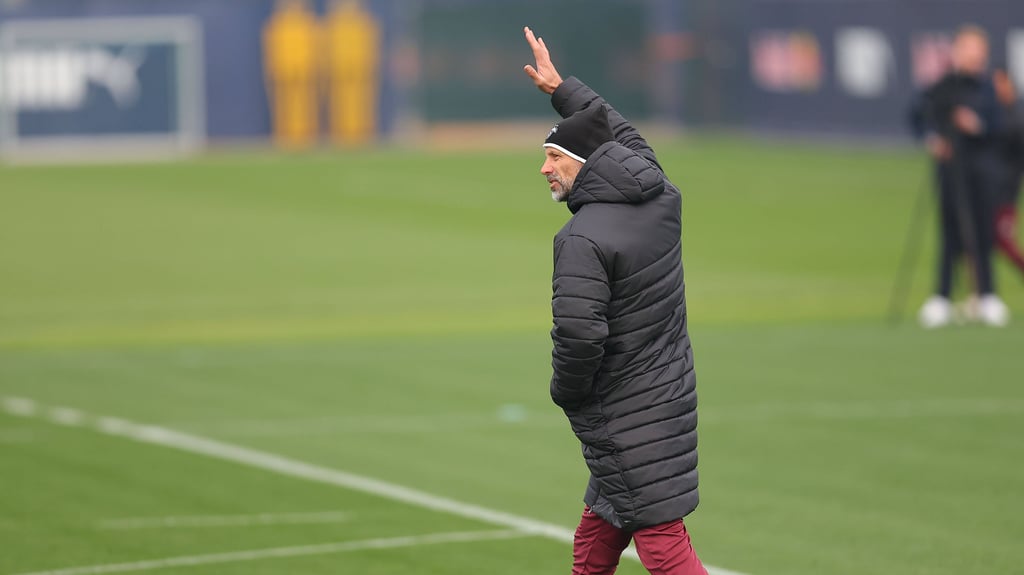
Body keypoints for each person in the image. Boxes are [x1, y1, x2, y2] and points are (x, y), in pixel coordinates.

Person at [523, 27, 707, 575]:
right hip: (669, 397)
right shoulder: (659, 194)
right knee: (596, 537)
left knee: (662, 546)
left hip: (623, 415)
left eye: (553, 156)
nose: (544, 168)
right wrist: (563, 89)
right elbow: (618, 134)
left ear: (582, 161)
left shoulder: (581, 238)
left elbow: (579, 336)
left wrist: (565, 394)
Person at [911, 25, 1009, 327]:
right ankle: (941, 296)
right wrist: (933, 139)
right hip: (951, 169)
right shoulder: (943, 85)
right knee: (949, 231)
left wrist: (976, 126)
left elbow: (1006, 125)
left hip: (982, 167)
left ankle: (987, 295)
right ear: (955, 50)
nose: (971, 55)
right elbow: (919, 114)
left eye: (976, 48)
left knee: (982, 231)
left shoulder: (992, 86)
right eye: (966, 47)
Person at [991, 68, 1024, 279]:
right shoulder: (995, 114)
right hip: (989, 186)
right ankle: (979, 295)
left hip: (1006, 188)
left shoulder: (1017, 118)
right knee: (977, 241)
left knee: (1002, 239)